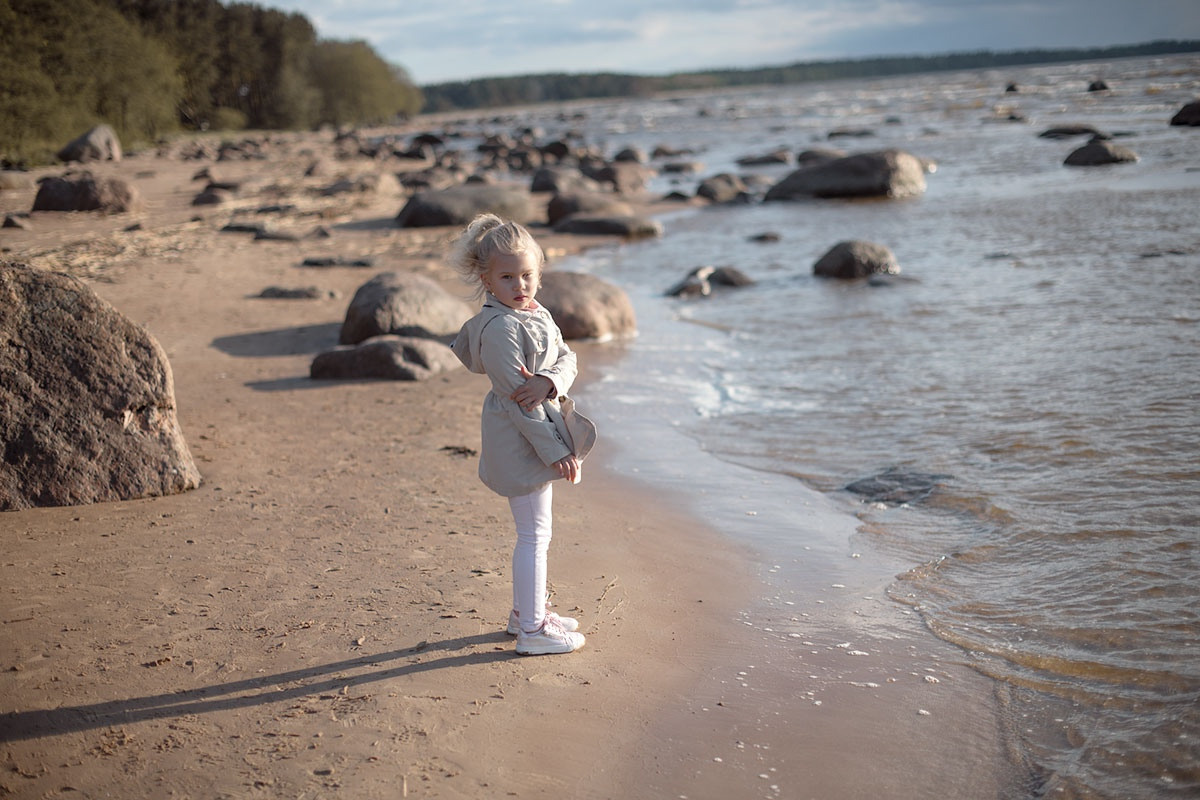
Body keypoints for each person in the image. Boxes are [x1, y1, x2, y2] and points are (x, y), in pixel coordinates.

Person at [449, 214, 597, 656]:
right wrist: (556, 454)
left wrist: (550, 380)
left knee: (538, 531)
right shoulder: (500, 330)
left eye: (527, 275)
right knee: (533, 534)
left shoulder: (534, 311)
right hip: (522, 441)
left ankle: (523, 614)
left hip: (540, 430)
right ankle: (531, 631)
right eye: (508, 277)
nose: (520, 286)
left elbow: (568, 355)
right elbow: (520, 407)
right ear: (487, 279)